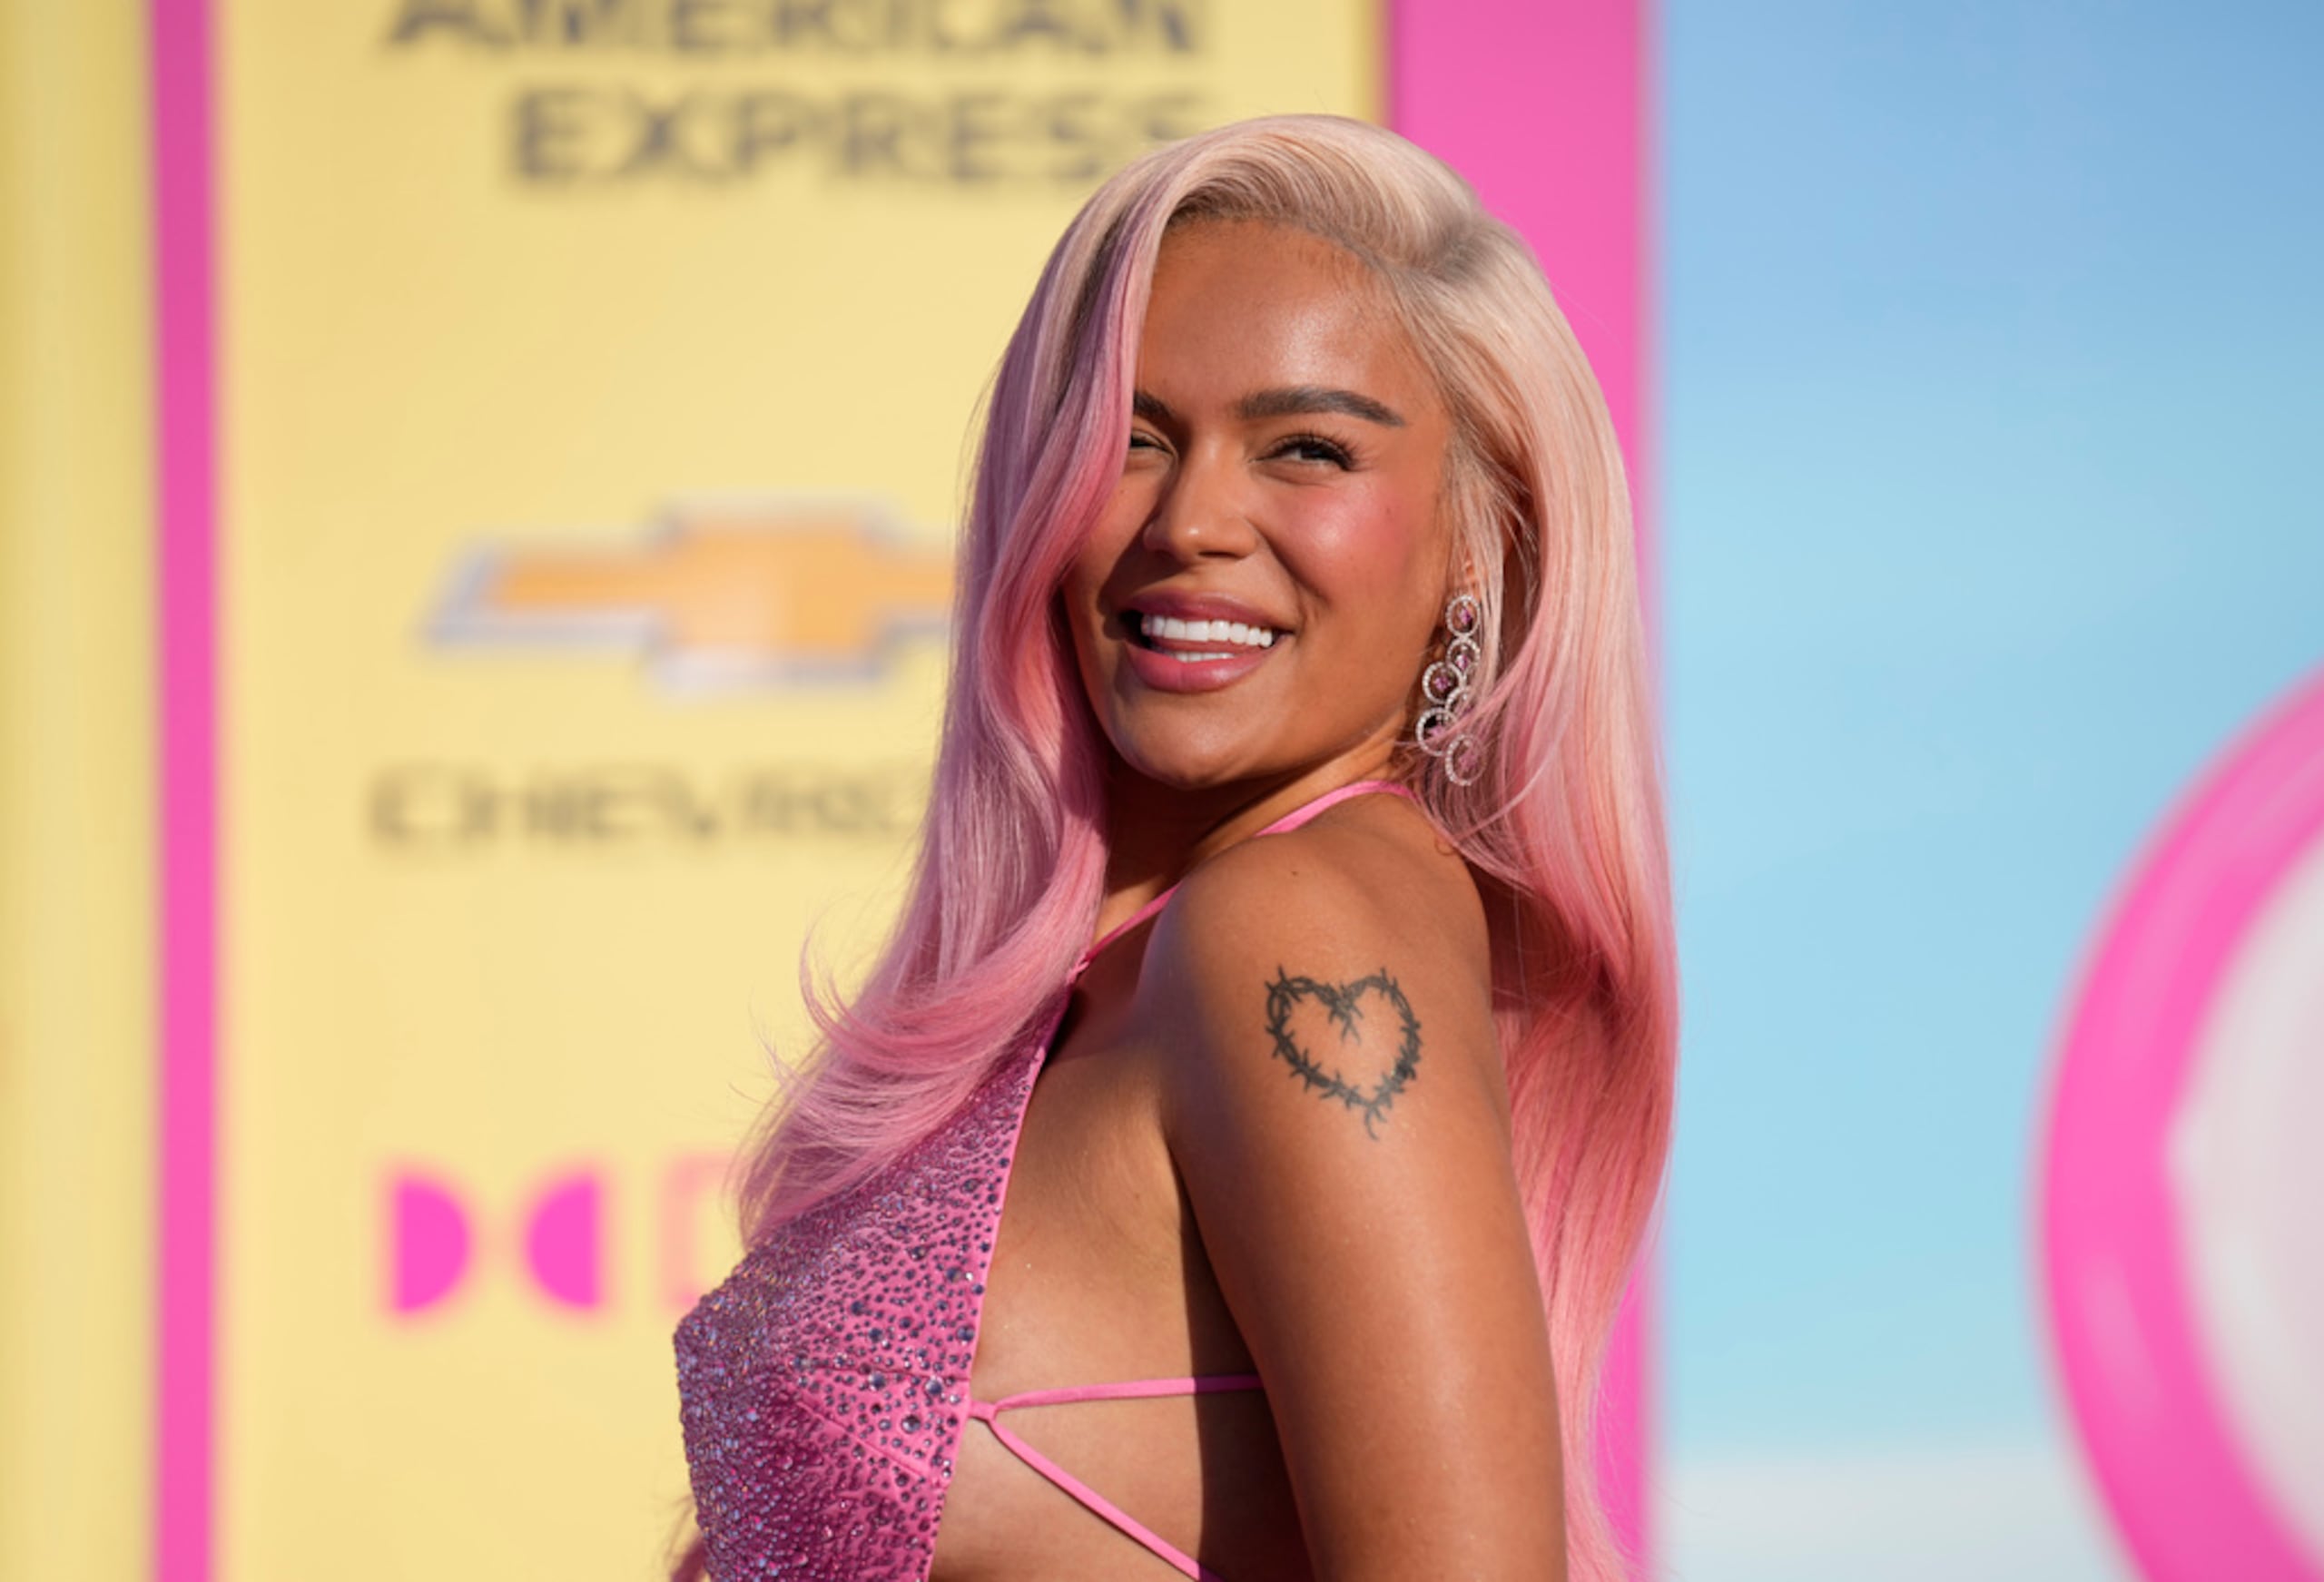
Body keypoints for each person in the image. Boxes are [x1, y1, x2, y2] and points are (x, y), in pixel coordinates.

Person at [668, 113, 1675, 1582]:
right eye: (1131, 439)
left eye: (1308, 449)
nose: (1192, 519)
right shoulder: (1124, 972)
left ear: (1481, 531)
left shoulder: (1306, 927)